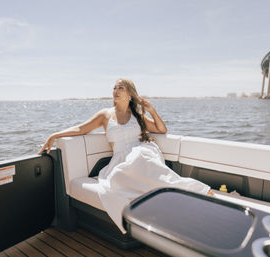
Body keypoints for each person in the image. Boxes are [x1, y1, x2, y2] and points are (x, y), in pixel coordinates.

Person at [39, 78, 213, 233]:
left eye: (120, 88)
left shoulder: (137, 115)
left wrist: (151, 110)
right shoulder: (105, 115)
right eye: (114, 88)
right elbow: (81, 129)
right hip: (120, 158)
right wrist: (54, 135)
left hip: (142, 151)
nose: (115, 91)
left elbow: (161, 129)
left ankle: (193, 191)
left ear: (130, 93)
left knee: (139, 159)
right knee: (115, 177)